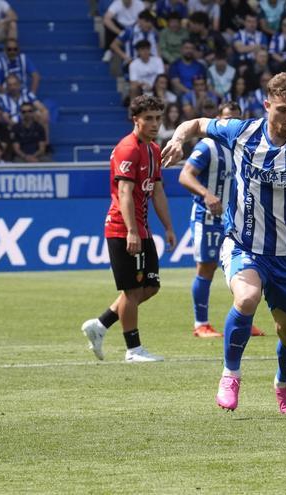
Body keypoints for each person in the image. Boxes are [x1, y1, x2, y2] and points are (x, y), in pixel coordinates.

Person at [159, 72, 286, 414]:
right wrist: (177, 138)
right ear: (266, 106)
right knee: (246, 297)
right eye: (282, 110)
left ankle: (283, 385)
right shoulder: (241, 131)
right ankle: (230, 374)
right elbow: (196, 124)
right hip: (243, 245)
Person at [80, 95, 176, 363]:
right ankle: (133, 350)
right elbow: (124, 192)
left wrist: (168, 226)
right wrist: (131, 231)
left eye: (158, 118)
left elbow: (157, 191)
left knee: (150, 286)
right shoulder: (128, 149)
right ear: (136, 119)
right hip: (123, 228)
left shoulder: (154, 149)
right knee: (133, 291)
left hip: (142, 229)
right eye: (149, 118)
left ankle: (100, 325)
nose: (155, 123)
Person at [176, 103, 264, 339]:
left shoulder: (244, 147)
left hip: (234, 219)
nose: (231, 124)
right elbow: (184, 175)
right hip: (206, 217)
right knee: (206, 267)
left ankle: (243, 322)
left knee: (244, 268)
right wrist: (206, 194)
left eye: (236, 119)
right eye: (227, 119)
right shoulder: (208, 146)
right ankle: (201, 324)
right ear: (218, 120)